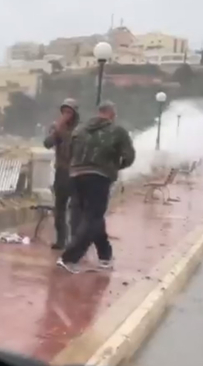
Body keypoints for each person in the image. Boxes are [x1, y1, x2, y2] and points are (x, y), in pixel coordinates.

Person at [57, 100, 135, 274]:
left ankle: (105, 256)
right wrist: (114, 167)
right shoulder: (117, 131)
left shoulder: (80, 129)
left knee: (93, 217)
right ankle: (69, 258)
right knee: (93, 218)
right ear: (112, 114)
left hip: (76, 175)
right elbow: (129, 157)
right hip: (99, 177)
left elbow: (68, 152)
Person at [43, 98, 80, 250]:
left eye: (69, 112)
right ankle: (61, 240)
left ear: (75, 114)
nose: (66, 115)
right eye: (64, 111)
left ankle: (76, 240)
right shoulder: (57, 127)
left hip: (77, 173)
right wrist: (58, 128)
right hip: (62, 172)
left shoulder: (81, 129)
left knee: (77, 208)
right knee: (59, 208)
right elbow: (47, 143)